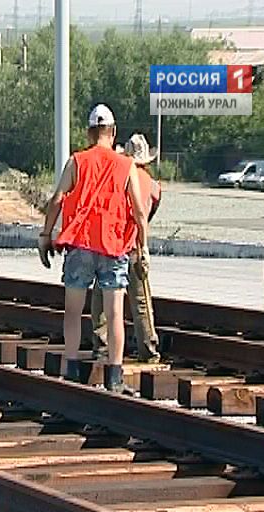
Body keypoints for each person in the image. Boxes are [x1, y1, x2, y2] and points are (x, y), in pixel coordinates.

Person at [37, 104, 148, 392]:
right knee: (114, 314)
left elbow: (57, 199)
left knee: (73, 312)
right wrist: (143, 248)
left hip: (80, 245)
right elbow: (139, 211)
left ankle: (71, 369)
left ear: (89, 133)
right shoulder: (126, 165)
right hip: (113, 246)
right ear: (113, 132)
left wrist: (45, 235)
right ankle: (114, 377)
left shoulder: (76, 161)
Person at [92, 134, 162, 364]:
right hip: (136, 245)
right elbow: (148, 214)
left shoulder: (118, 175)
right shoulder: (153, 185)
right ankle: (148, 349)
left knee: (102, 295)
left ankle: (102, 346)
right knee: (141, 301)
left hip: (113, 244)